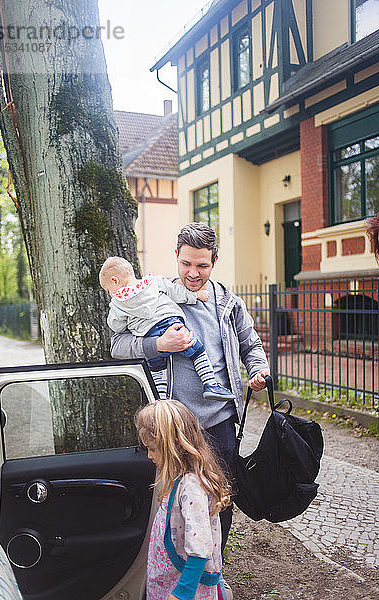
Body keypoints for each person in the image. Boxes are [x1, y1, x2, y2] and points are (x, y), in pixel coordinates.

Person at [110, 222, 270, 557]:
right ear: (176, 257)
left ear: (214, 260)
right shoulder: (151, 295)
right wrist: (158, 343)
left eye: (202, 265)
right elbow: (118, 345)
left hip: (220, 420)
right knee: (171, 502)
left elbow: (250, 344)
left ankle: (214, 570)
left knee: (219, 498)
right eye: (186, 264)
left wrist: (258, 370)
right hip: (173, 425)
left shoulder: (228, 302)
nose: (193, 273)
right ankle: (172, 568)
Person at [99, 256, 235, 401]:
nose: (110, 294)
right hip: (170, 324)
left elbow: (116, 326)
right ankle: (210, 384)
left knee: (157, 369)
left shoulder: (118, 303)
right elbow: (176, 291)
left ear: (115, 280)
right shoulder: (153, 282)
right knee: (197, 351)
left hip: (149, 336)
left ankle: (161, 401)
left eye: (108, 290)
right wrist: (195, 296)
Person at [135, 399, 232, 600]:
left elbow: (199, 547)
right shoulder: (177, 478)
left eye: (153, 449)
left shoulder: (192, 487)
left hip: (186, 588)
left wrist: (183, 593)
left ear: (176, 445)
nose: (149, 456)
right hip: (171, 578)